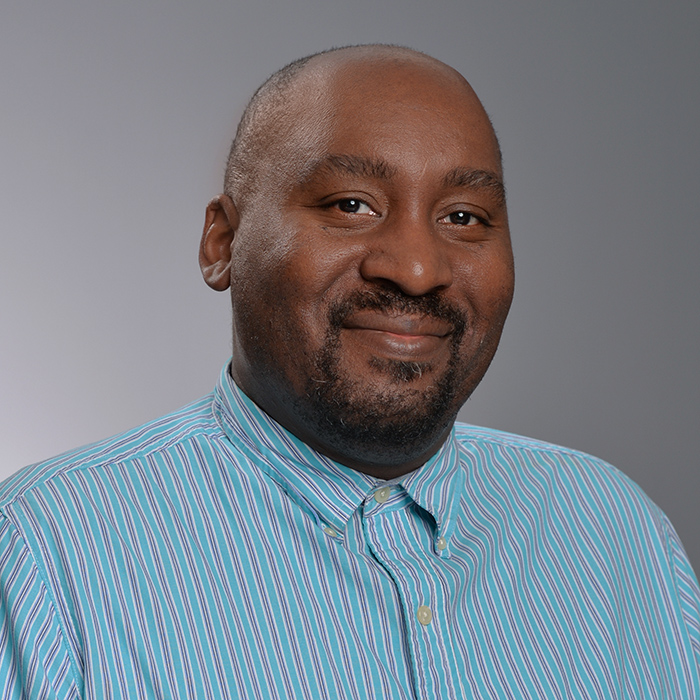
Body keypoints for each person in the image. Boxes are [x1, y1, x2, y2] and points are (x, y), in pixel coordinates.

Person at [1, 44, 698, 699]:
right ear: (223, 243)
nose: (416, 269)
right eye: (351, 206)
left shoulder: (613, 530)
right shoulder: (45, 552)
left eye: (463, 216)